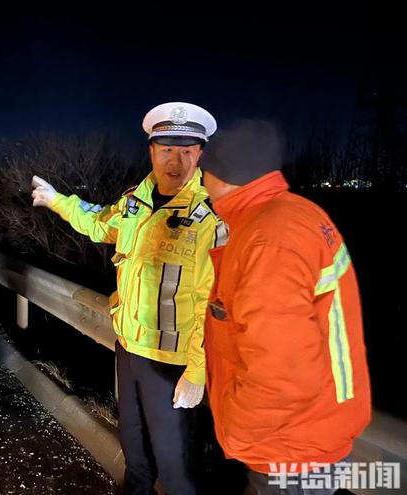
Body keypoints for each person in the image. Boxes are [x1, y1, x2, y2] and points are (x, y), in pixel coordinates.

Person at [31, 102, 227, 494]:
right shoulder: (135, 202)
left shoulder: (211, 218)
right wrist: (57, 201)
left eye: (187, 151)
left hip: (172, 366)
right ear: (152, 151)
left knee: (176, 472)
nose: (177, 161)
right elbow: (99, 222)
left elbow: (216, 302)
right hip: (129, 350)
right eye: (167, 149)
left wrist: (197, 371)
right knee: (135, 457)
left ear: (200, 154)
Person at [200, 120, 372, 495]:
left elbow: (281, 374)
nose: (201, 182)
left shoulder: (268, 240)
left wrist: (236, 427)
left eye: (205, 172)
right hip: (313, 431)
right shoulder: (294, 213)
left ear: (225, 177)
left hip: (289, 447)